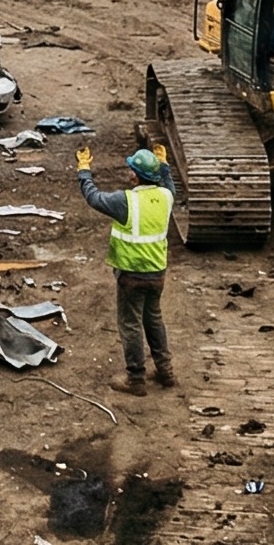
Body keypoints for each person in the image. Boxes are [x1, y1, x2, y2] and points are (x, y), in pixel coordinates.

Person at [76, 143, 178, 395]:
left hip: (131, 275)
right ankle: (165, 371)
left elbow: (93, 197)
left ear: (135, 176)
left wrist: (84, 170)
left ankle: (135, 378)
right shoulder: (166, 196)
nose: (128, 172)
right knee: (153, 319)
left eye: (131, 169)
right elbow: (169, 183)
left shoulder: (126, 201)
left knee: (130, 324)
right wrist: (164, 165)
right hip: (157, 273)